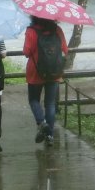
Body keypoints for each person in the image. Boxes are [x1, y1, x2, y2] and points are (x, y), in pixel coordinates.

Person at [22, 16, 68, 147]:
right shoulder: (57, 30)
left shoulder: (31, 31)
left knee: (33, 100)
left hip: (35, 71)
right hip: (54, 71)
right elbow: (65, 50)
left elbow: (26, 52)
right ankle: (50, 136)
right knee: (50, 104)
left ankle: (42, 123)